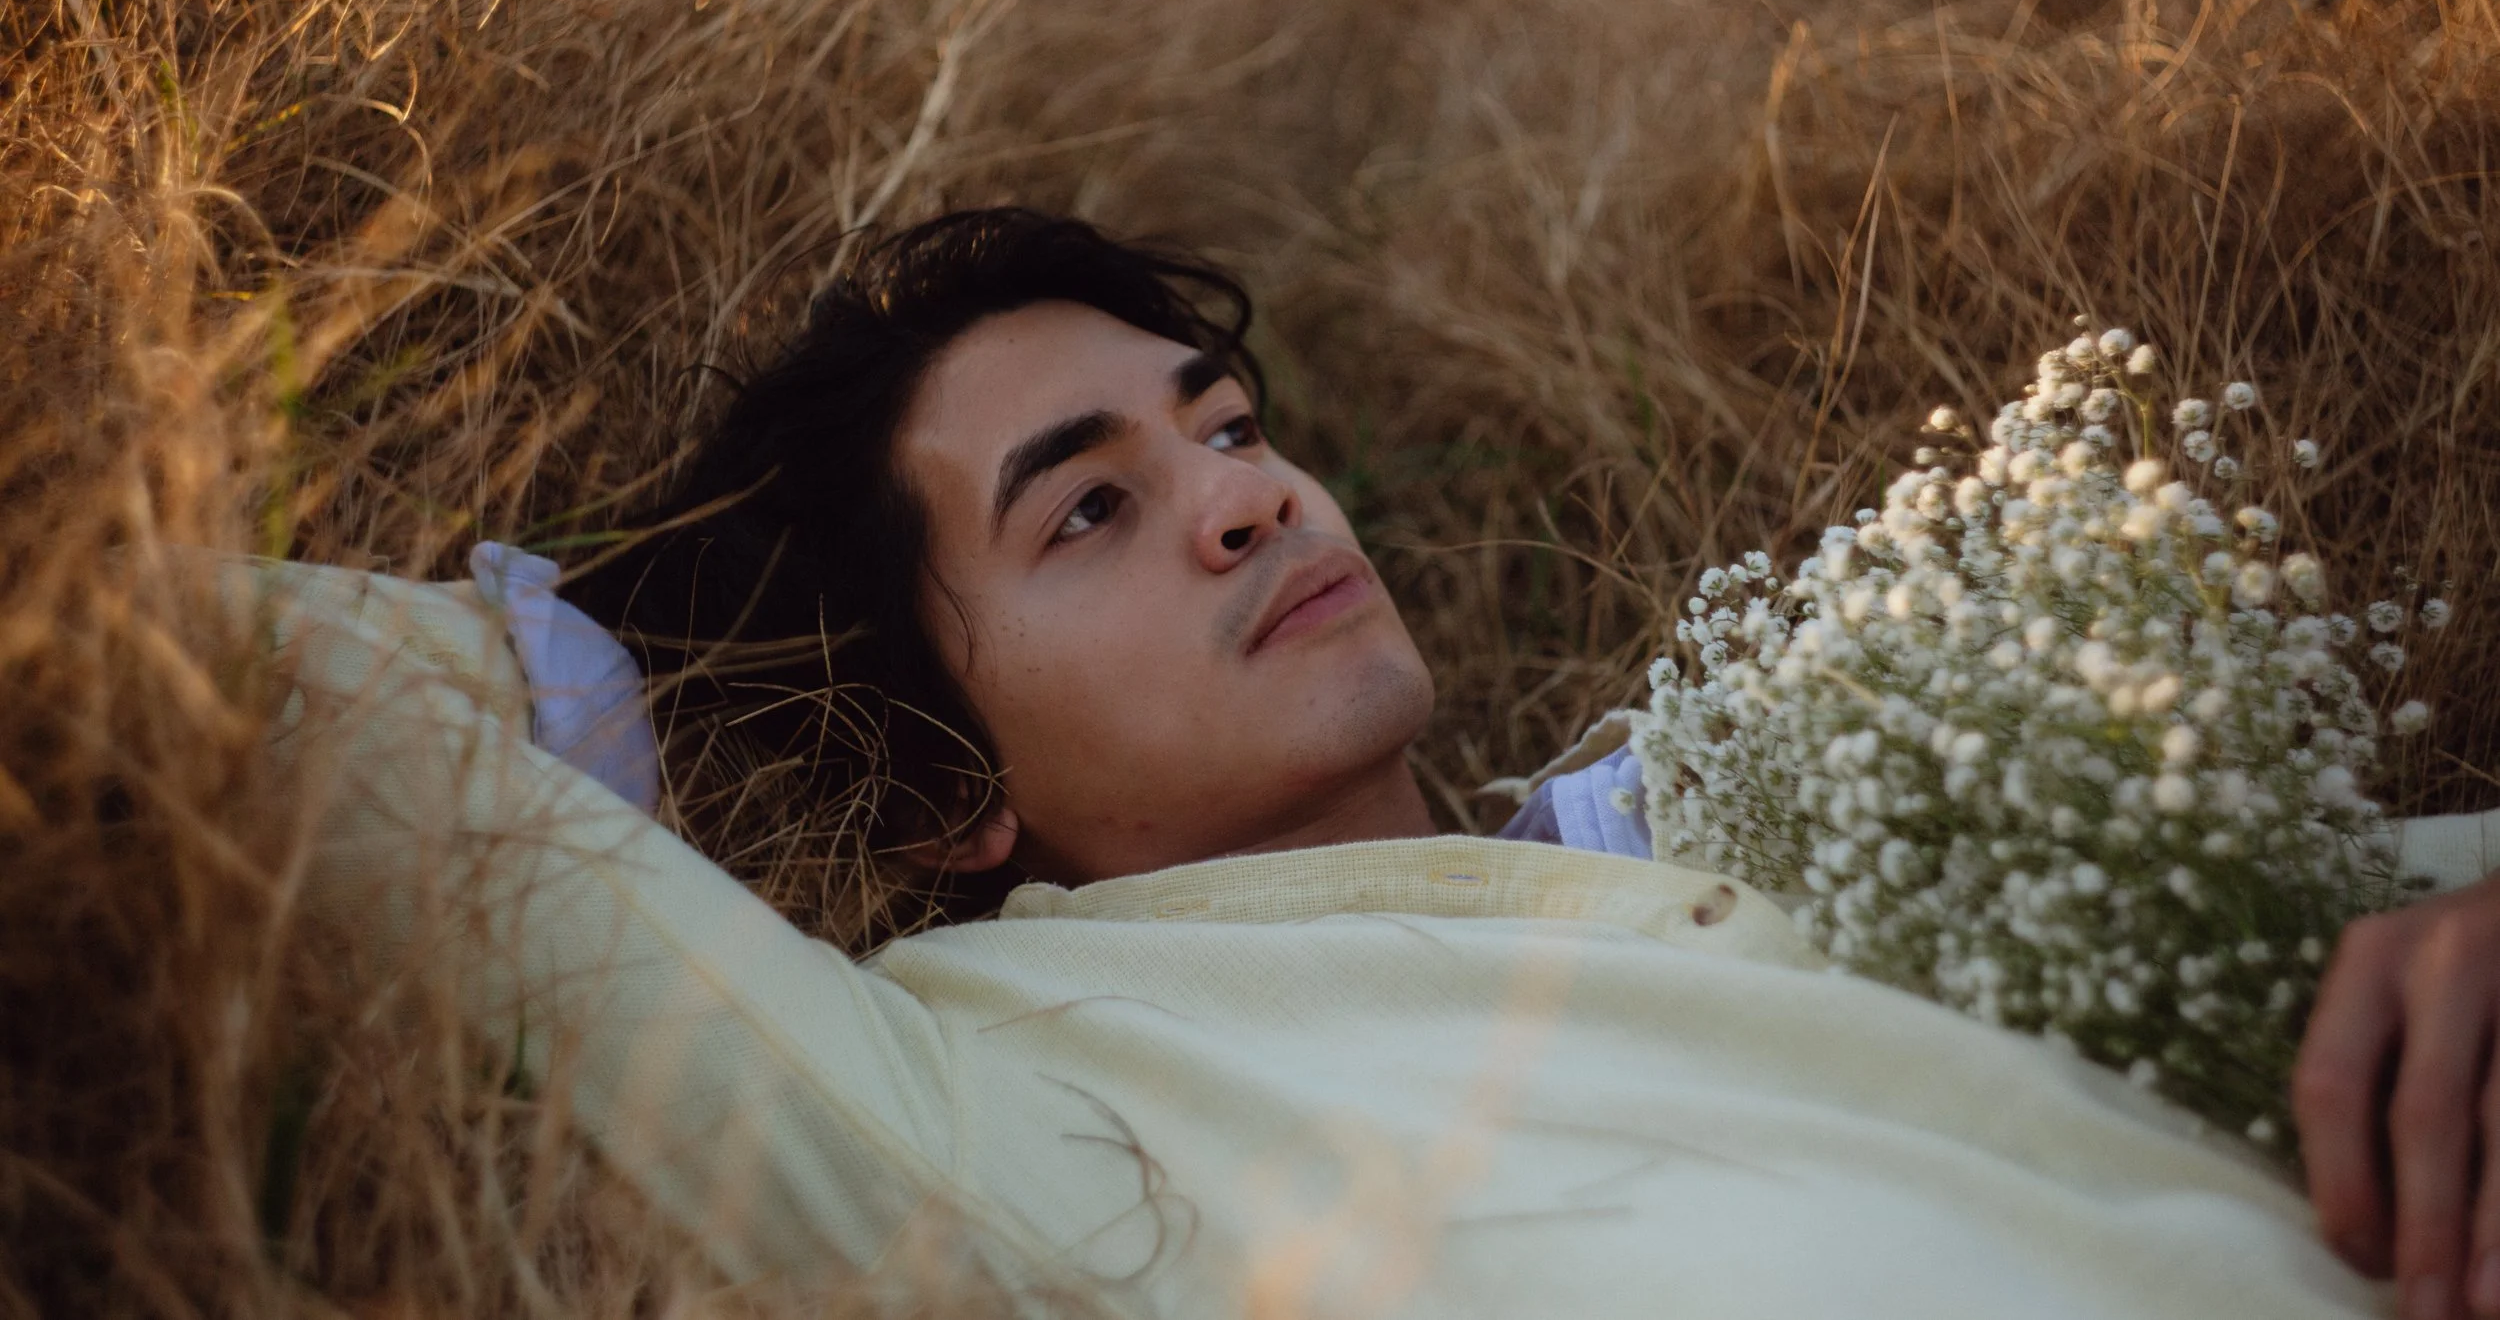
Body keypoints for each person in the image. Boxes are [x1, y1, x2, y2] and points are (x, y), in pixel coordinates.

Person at [268, 208, 2499, 1318]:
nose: (1250, 499)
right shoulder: (990, 1080)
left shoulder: (1800, 787)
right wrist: (608, 648)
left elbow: (2372, 909)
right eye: (1088, 509)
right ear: (940, 785)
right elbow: (290, 694)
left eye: (1221, 429)